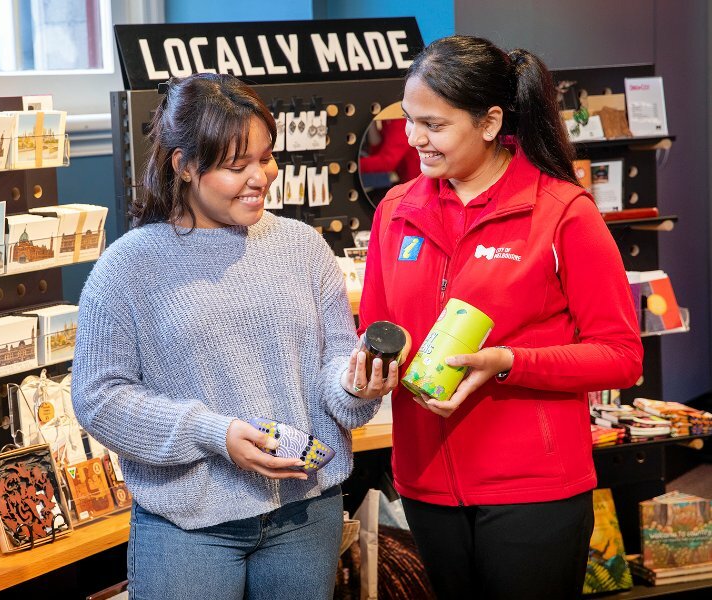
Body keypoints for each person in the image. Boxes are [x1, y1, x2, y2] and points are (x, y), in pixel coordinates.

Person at [71, 73, 395, 600]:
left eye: (266, 158)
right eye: (235, 165)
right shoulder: (128, 268)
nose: (259, 177)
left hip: (305, 513)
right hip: (189, 525)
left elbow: (333, 368)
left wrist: (358, 384)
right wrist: (213, 433)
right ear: (183, 165)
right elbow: (98, 398)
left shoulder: (302, 246)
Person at [357, 35, 643, 600]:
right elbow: (375, 328)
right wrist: (368, 366)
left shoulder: (562, 213)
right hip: (425, 485)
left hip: (534, 492)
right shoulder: (396, 211)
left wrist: (509, 362)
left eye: (434, 126)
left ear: (490, 122)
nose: (414, 139)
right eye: (410, 120)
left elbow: (621, 355)